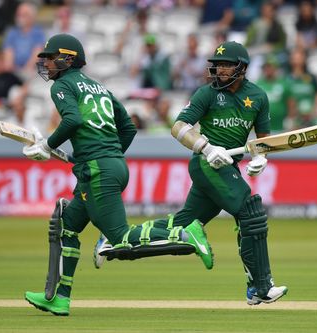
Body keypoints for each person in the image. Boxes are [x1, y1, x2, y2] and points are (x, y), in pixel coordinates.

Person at [22, 33, 213, 316]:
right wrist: (101, 153)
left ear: (67, 59)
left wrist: (46, 146)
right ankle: (60, 297)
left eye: (50, 58)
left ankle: (184, 233)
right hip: (106, 165)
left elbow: (73, 120)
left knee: (120, 239)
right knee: (68, 225)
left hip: (99, 170)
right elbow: (129, 128)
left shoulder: (62, 85)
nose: (46, 64)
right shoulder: (99, 87)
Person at [95, 41, 288, 305]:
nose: (219, 70)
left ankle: (115, 241)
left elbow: (263, 140)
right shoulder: (206, 94)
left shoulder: (257, 97)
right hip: (206, 164)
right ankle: (261, 286)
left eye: (225, 65)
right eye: (217, 65)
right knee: (250, 210)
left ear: (241, 68)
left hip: (228, 167)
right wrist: (207, 148)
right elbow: (179, 127)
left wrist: (260, 158)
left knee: (181, 226)